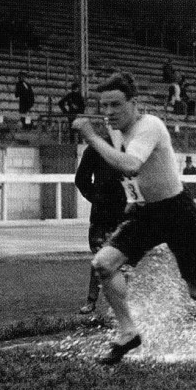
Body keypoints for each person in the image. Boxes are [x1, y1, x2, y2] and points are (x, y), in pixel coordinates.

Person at [72, 73, 196, 365]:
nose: (109, 113)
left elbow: (130, 165)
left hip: (178, 211)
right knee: (103, 264)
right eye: (104, 106)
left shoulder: (149, 125)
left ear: (134, 103)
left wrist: (90, 137)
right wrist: (133, 201)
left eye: (116, 105)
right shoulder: (116, 131)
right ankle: (128, 333)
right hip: (147, 212)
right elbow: (136, 176)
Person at [74, 134, 129, 314]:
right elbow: (81, 179)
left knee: (122, 260)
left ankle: (119, 306)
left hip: (125, 213)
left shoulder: (131, 147)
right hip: (102, 214)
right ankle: (91, 301)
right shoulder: (95, 149)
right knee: (100, 258)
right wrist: (96, 197)